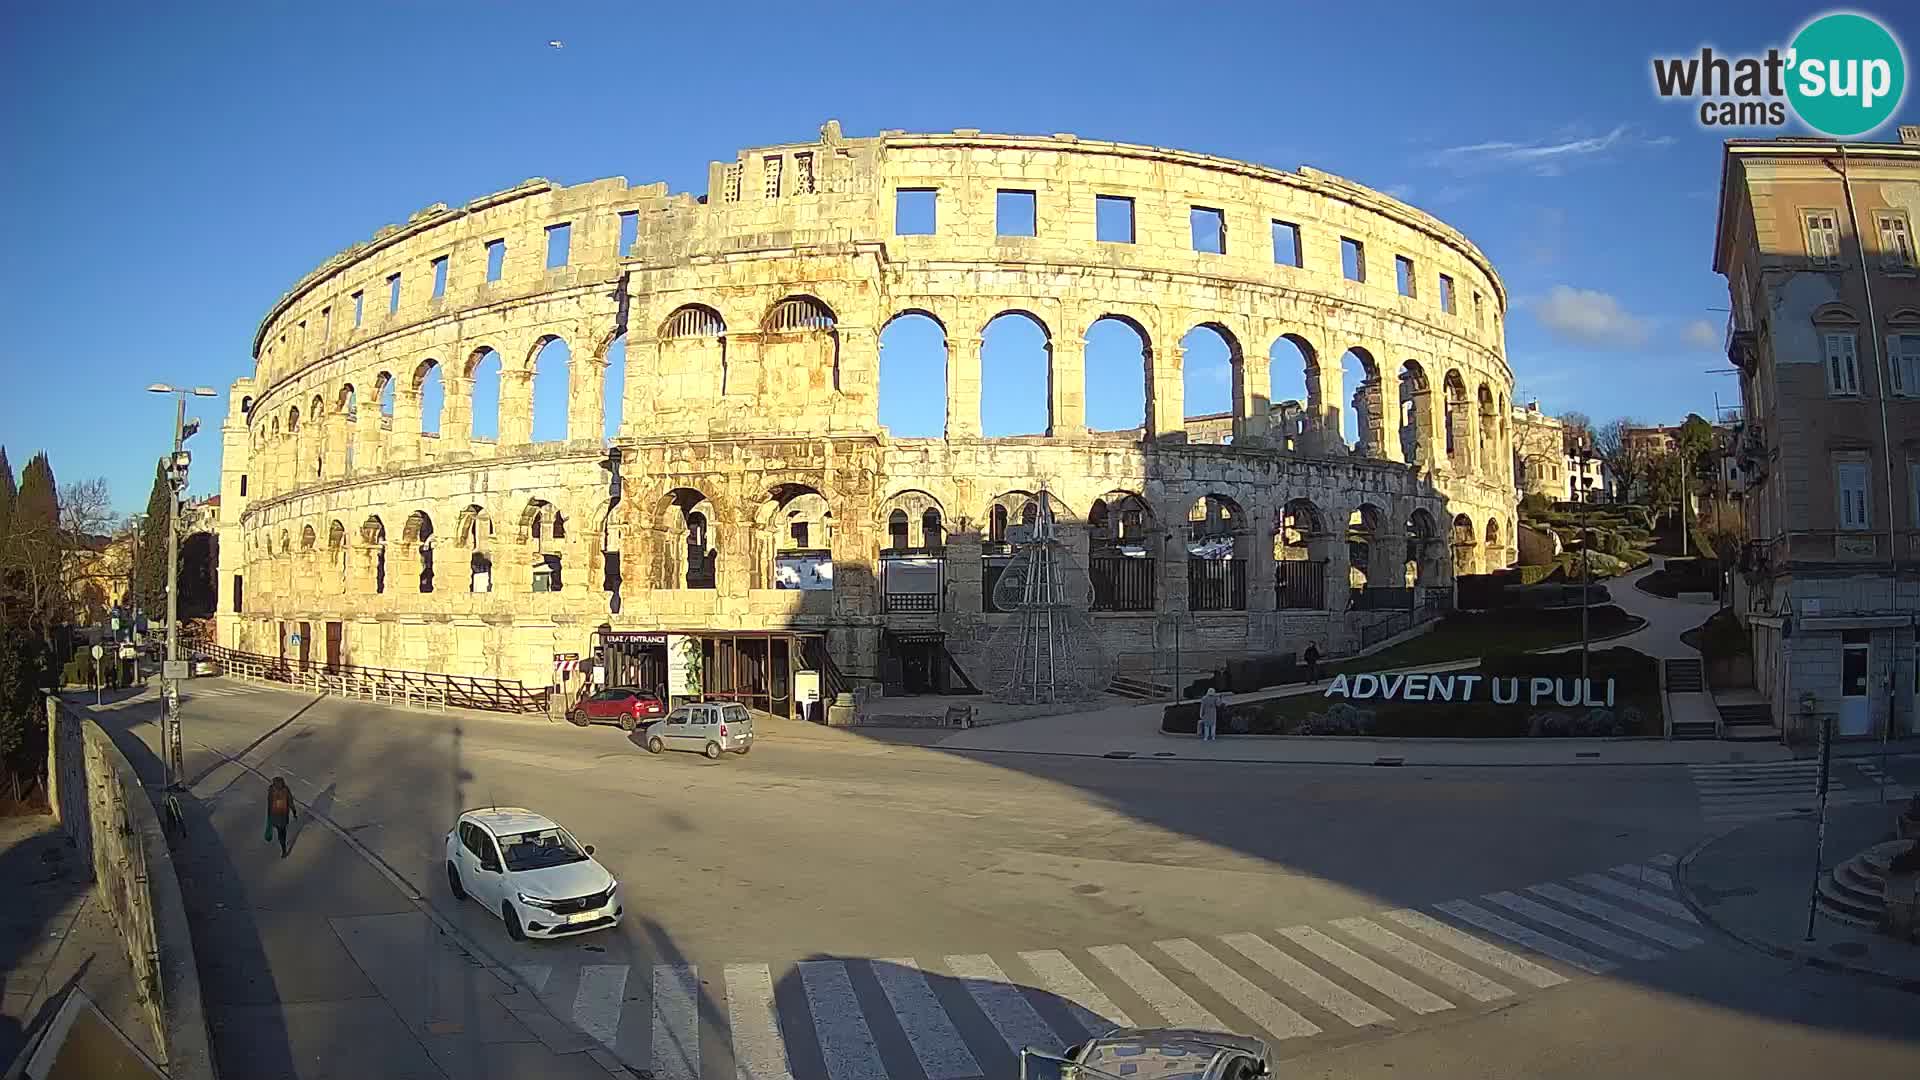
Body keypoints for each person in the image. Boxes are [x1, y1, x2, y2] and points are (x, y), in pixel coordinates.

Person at [265, 776, 297, 858]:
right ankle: (284, 848)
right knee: (283, 830)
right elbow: (290, 802)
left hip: (274, 815)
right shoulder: (285, 790)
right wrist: (294, 812)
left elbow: (269, 802)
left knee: (279, 831)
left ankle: (282, 843)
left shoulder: (271, 789)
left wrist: (269, 814)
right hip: (283, 816)